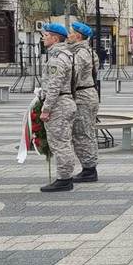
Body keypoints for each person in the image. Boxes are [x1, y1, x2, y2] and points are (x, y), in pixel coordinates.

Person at [38, 22, 80, 192]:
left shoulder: (57, 59)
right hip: (65, 101)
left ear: (55, 38)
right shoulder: (67, 56)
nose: (43, 38)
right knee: (64, 142)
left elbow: (55, 86)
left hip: (59, 104)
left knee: (60, 143)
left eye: (46, 35)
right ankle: (65, 177)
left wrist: (46, 109)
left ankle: (64, 179)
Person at [66, 21, 100, 184]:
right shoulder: (89, 51)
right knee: (88, 132)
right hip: (89, 93)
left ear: (78, 36)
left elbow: (74, 78)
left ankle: (89, 170)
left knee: (82, 133)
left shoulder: (80, 54)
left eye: (71, 33)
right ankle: (89, 167)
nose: (68, 35)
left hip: (82, 96)